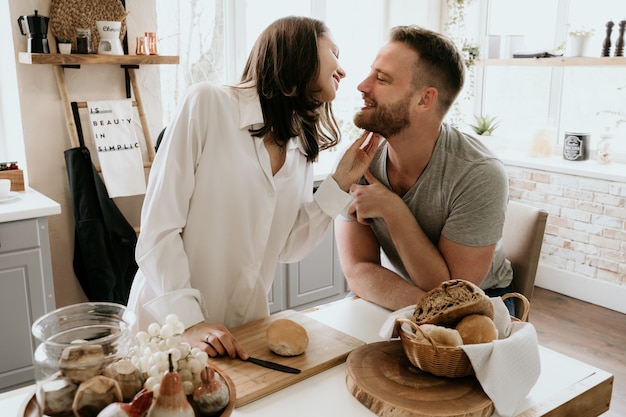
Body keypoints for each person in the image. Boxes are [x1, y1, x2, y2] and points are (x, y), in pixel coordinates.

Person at [126, 16, 381, 360]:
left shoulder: (301, 146)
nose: (343, 70)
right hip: (168, 329)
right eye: (334, 52)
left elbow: (289, 246)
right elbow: (159, 231)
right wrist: (190, 322)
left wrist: (340, 182)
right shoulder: (207, 104)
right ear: (298, 50)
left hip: (240, 333)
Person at [335, 25, 513, 313]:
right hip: (405, 294)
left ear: (424, 99)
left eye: (381, 78)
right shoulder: (357, 162)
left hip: (483, 302)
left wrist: (394, 211)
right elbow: (357, 268)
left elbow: (455, 295)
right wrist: (420, 310)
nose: (362, 86)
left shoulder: (479, 174)